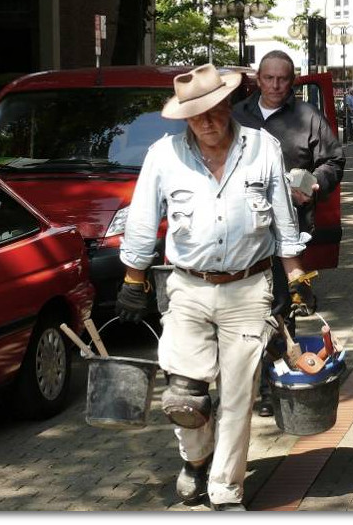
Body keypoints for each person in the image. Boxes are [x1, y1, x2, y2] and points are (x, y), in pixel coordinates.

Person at [116, 64, 311, 511]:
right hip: (188, 287)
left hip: (249, 288)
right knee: (185, 396)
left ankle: (226, 490)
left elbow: (284, 222)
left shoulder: (262, 148)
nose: (206, 122)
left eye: (213, 110)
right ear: (184, 117)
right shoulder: (164, 155)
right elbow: (144, 219)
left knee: (238, 396)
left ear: (228, 105)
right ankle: (196, 458)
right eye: (196, 115)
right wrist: (133, 277)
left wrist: (298, 280)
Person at [233, 49, 345, 418]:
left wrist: (314, 186)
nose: (276, 85)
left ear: (292, 80)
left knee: (281, 305)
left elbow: (334, 159)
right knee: (244, 308)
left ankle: (273, 384)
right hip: (243, 231)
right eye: (269, 78)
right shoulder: (238, 115)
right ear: (258, 79)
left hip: (290, 228)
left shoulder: (307, 116)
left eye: (283, 78)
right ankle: (240, 386)